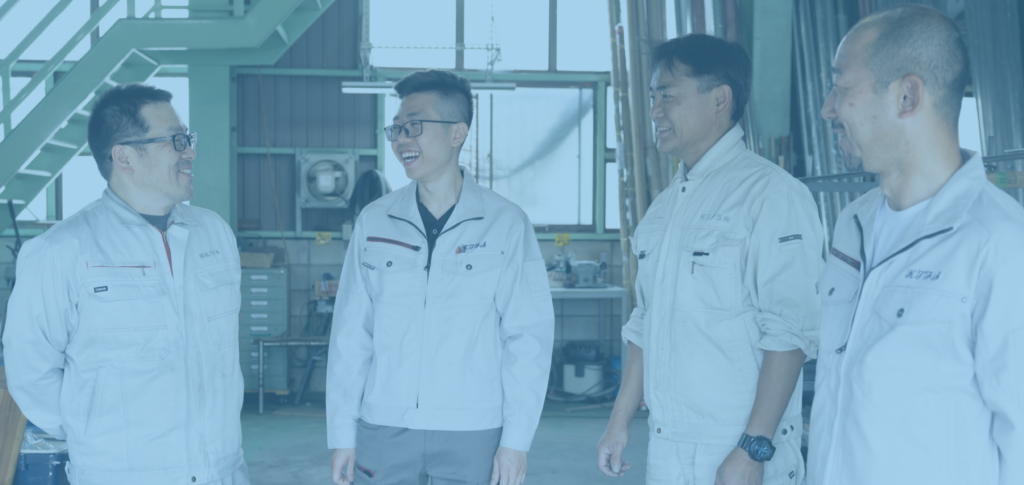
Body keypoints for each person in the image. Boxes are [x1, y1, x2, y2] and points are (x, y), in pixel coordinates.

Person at [808, 5, 1024, 484]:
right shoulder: (853, 224)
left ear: (907, 96)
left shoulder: (999, 246)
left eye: (841, 88)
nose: (827, 109)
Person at [596, 34, 823, 485]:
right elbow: (646, 321)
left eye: (668, 96)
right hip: (668, 443)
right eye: (652, 97)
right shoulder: (665, 207)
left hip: (738, 448)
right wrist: (619, 421)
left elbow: (792, 331)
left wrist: (753, 449)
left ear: (720, 99)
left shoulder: (771, 194)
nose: (655, 111)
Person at [2, 83, 248, 484]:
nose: (190, 152)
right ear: (125, 157)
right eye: (176, 140)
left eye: (188, 139)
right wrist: (96, 433)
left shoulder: (214, 233)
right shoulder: (61, 251)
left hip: (222, 470)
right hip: (122, 474)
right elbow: (30, 371)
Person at [327, 70, 554, 485]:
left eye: (414, 125)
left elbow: (527, 338)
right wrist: (342, 433)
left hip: (473, 429)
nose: (401, 139)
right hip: (384, 424)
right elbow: (350, 335)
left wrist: (516, 441)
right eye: (396, 128)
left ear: (457, 133)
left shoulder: (505, 224)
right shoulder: (375, 221)